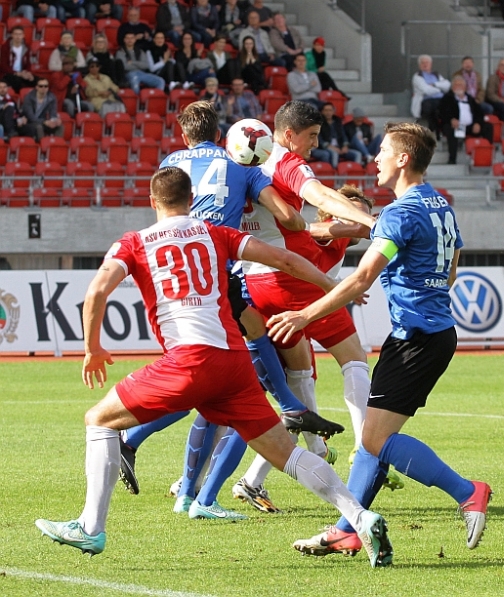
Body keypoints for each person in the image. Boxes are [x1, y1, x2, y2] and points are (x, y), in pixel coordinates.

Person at [34, 167, 393, 568]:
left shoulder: (134, 242)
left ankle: (90, 527)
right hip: (234, 363)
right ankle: (360, 517)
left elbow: (98, 289)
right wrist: (333, 287)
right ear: (191, 200)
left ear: (152, 201)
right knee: (285, 453)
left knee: (99, 420)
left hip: (188, 359)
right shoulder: (215, 233)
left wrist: (92, 348)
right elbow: (283, 259)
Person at [267, 121, 492, 559]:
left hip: (414, 339)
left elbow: (361, 278)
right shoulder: (440, 205)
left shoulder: (399, 213)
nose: (376, 158)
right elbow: (450, 270)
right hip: (435, 332)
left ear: (403, 159)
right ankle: (347, 530)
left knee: (374, 442)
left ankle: (468, 491)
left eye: (384, 151)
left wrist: (304, 315)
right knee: (373, 436)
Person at [116, 102, 345, 505]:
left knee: (215, 371)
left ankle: (182, 480)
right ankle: (284, 412)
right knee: (217, 381)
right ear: (222, 135)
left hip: (177, 270)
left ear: (184, 136)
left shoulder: (171, 163)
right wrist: (304, 223)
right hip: (215, 265)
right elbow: (287, 218)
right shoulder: (240, 164)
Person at [234, 101, 388, 511]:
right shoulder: (284, 162)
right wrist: (371, 222)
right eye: (312, 136)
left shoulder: (241, 167)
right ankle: (367, 451)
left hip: (251, 281)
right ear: (287, 135)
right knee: (354, 358)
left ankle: (299, 455)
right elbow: (318, 196)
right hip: (289, 277)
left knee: (296, 378)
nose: (314, 145)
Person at [438, 74, 493, 165]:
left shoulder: (470, 99)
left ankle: (487, 156)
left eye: (461, 85)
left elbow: (479, 113)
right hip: (456, 126)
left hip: (470, 127)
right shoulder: (447, 98)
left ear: (465, 87)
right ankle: (452, 159)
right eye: (456, 85)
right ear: (452, 87)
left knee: (488, 126)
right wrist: (451, 119)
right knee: (449, 129)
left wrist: (477, 123)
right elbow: (442, 112)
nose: (458, 87)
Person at [410, 54, 451, 133]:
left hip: (440, 99)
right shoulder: (417, 76)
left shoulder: (436, 75)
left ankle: (441, 130)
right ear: (419, 65)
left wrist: (435, 84)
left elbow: (447, 85)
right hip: (426, 100)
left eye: (427, 62)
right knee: (432, 108)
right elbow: (426, 90)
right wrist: (440, 89)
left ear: (430, 64)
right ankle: (434, 131)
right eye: (423, 63)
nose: (425, 64)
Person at [311, 101, 359, 167]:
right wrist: (330, 147)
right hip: (324, 147)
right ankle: (334, 171)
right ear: (322, 112)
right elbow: (319, 139)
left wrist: (345, 146)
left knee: (357, 154)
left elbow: (343, 135)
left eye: (330, 110)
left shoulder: (338, 121)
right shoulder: (318, 123)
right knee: (334, 154)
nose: (328, 112)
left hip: (339, 147)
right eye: (326, 110)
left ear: (333, 111)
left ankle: (357, 171)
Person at [0, 26, 35, 93]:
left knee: (36, 80)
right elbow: (3, 65)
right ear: (12, 35)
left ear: (23, 35)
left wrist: (28, 73)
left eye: (20, 34)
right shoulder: (5, 47)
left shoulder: (27, 47)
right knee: (18, 81)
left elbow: (28, 63)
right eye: (15, 34)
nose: (18, 36)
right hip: (9, 73)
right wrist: (17, 73)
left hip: (22, 73)